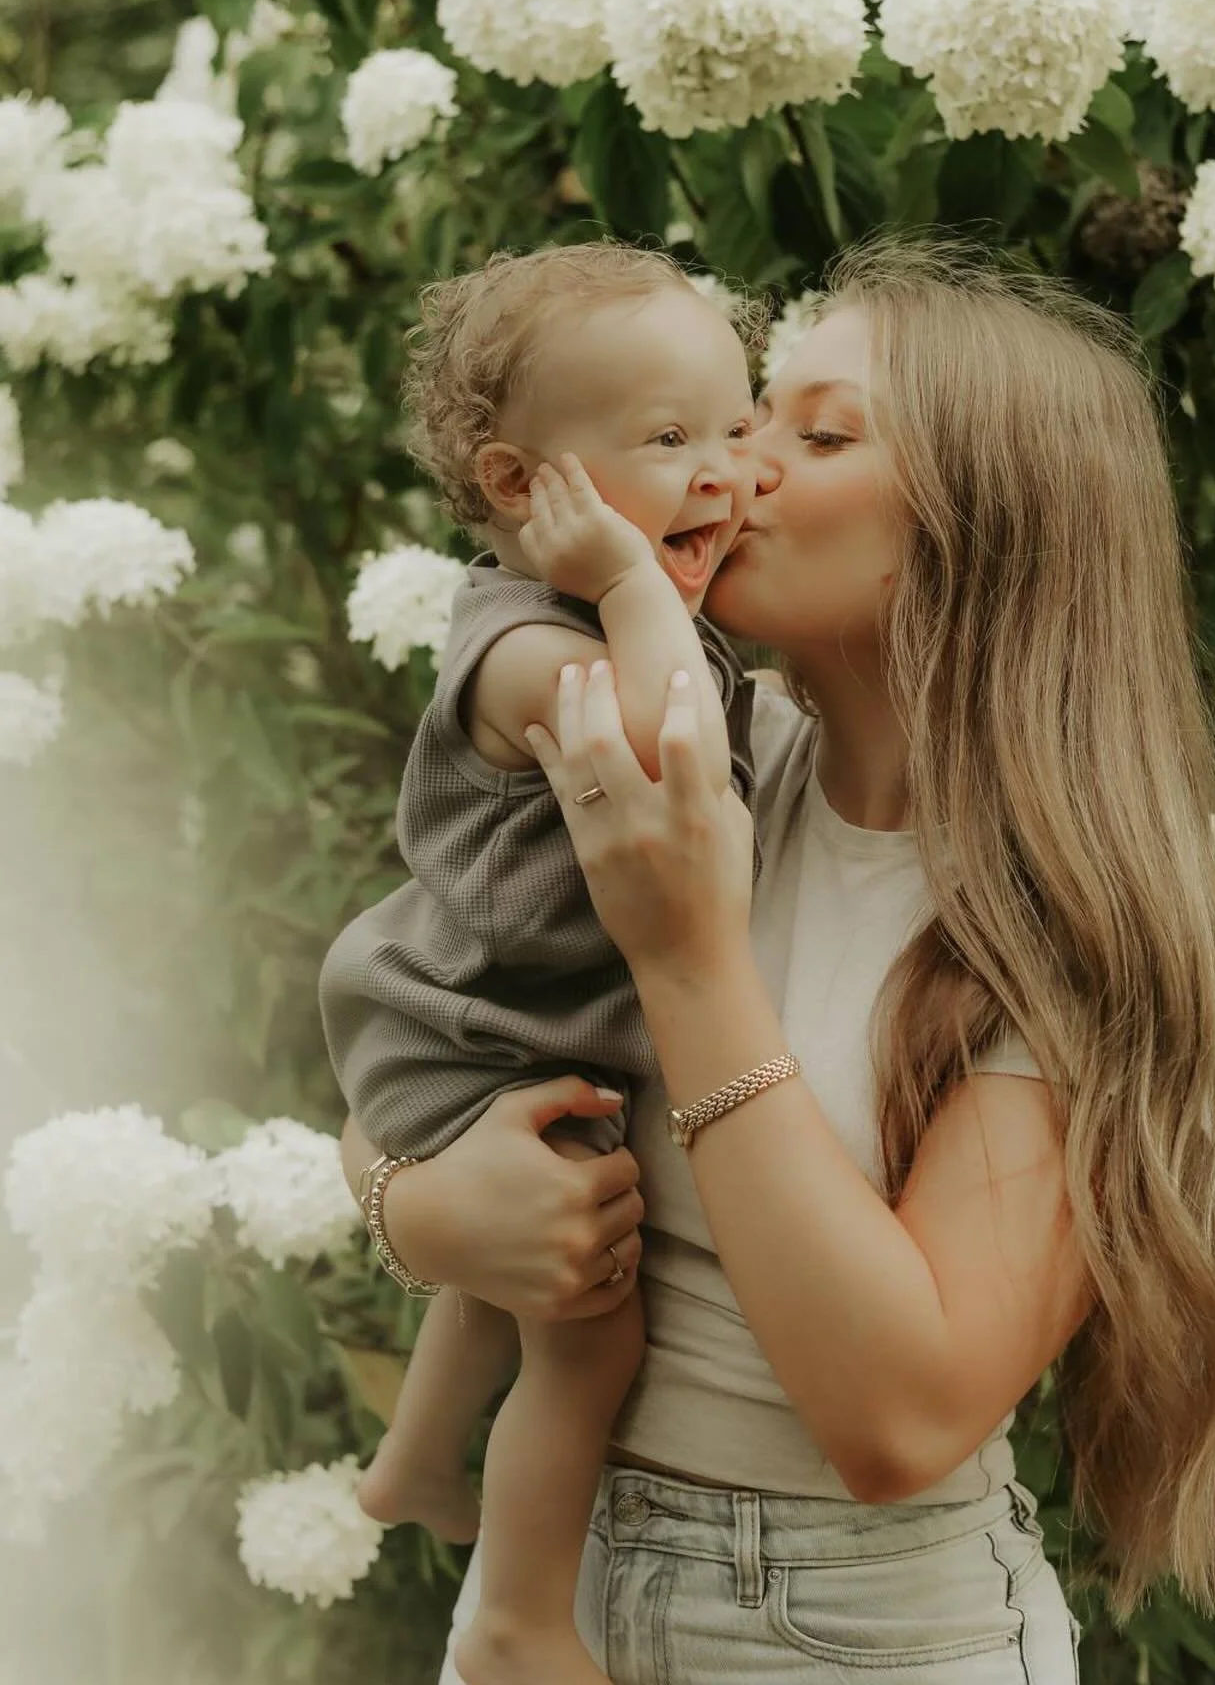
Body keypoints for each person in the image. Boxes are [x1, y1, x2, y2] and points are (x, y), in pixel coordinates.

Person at [340, 237, 1215, 1684]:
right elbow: (418, 1002)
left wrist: (687, 958)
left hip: (859, 1634)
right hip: (567, 1578)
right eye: (737, 424)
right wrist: (413, 1205)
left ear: (988, 519)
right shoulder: (706, 762)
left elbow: (899, 1419)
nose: (740, 467)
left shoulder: (1080, 915)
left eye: (815, 432)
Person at [319, 244, 759, 1685]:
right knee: (585, 1330)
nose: (723, 473)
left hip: (494, 1024)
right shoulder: (525, 647)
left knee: (507, 1279)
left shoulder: (613, 621)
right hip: (470, 1027)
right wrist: (635, 584)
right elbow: (662, 750)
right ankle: (515, 1622)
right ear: (522, 488)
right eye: (669, 438)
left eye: (741, 429)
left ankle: (412, 1468)